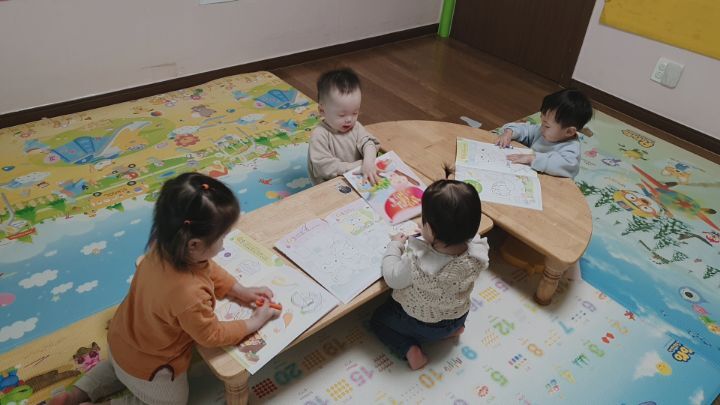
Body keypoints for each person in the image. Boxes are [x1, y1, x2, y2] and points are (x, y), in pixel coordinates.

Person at [52, 172, 280, 405]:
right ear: (194, 244)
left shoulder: (162, 247)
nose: (223, 245)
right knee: (171, 401)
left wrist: (239, 290)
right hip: (152, 366)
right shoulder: (190, 294)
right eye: (222, 238)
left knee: (114, 368)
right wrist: (254, 322)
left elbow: (207, 268)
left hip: (119, 341)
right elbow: (211, 335)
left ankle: (76, 394)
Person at [370, 169, 490, 370]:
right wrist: (431, 236)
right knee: (448, 311)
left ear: (432, 231)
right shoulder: (477, 252)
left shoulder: (419, 262)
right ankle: (453, 331)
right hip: (457, 316)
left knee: (378, 320)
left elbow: (392, 278)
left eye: (423, 222)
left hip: (421, 324)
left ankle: (410, 350)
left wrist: (395, 246)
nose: (420, 223)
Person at [496, 88, 593, 178]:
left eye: (547, 126)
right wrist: (510, 132)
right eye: (542, 121)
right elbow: (526, 129)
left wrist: (533, 159)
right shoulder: (543, 131)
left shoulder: (571, 148)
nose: (541, 127)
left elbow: (567, 165)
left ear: (569, 131)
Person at [307, 68, 380, 185]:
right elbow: (323, 168)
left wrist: (368, 162)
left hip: (356, 177)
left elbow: (369, 143)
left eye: (355, 113)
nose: (349, 119)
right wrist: (356, 166)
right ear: (322, 110)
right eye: (342, 115)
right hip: (330, 185)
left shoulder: (356, 127)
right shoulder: (320, 135)